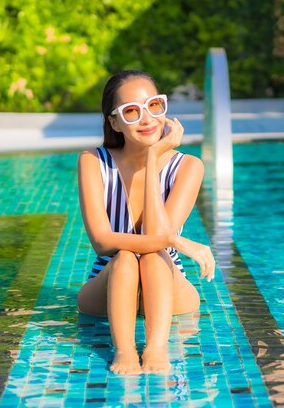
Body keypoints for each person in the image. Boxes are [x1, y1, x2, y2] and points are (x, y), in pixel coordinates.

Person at [77, 70, 216, 375]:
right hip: (110, 281)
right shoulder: (93, 161)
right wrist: (175, 240)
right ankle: (124, 351)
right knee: (125, 258)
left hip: (167, 281)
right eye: (131, 111)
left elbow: (155, 236)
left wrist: (153, 158)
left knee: (154, 258)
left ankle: (156, 348)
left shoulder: (188, 167)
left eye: (154, 105)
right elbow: (102, 242)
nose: (146, 118)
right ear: (114, 122)